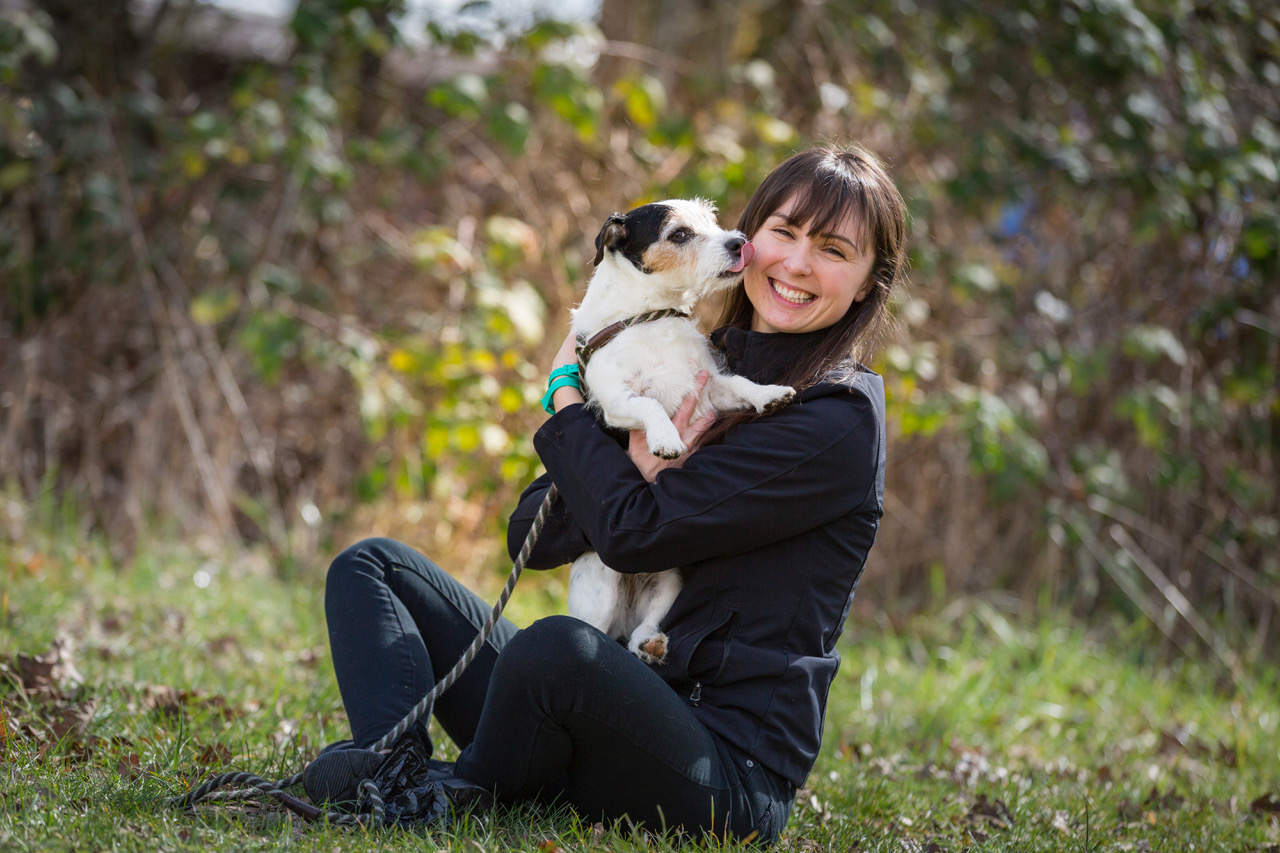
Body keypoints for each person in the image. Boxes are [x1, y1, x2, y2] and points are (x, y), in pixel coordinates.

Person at [306, 142, 908, 845]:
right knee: (376, 567)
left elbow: (632, 534)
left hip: (718, 770)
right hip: (602, 702)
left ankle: (456, 790)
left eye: (834, 249)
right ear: (751, 240)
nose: (798, 263)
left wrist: (566, 404)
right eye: (785, 232)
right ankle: (396, 772)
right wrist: (615, 429)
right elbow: (532, 531)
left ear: (869, 282)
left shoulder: (836, 418)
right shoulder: (689, 351)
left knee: (556, 649)